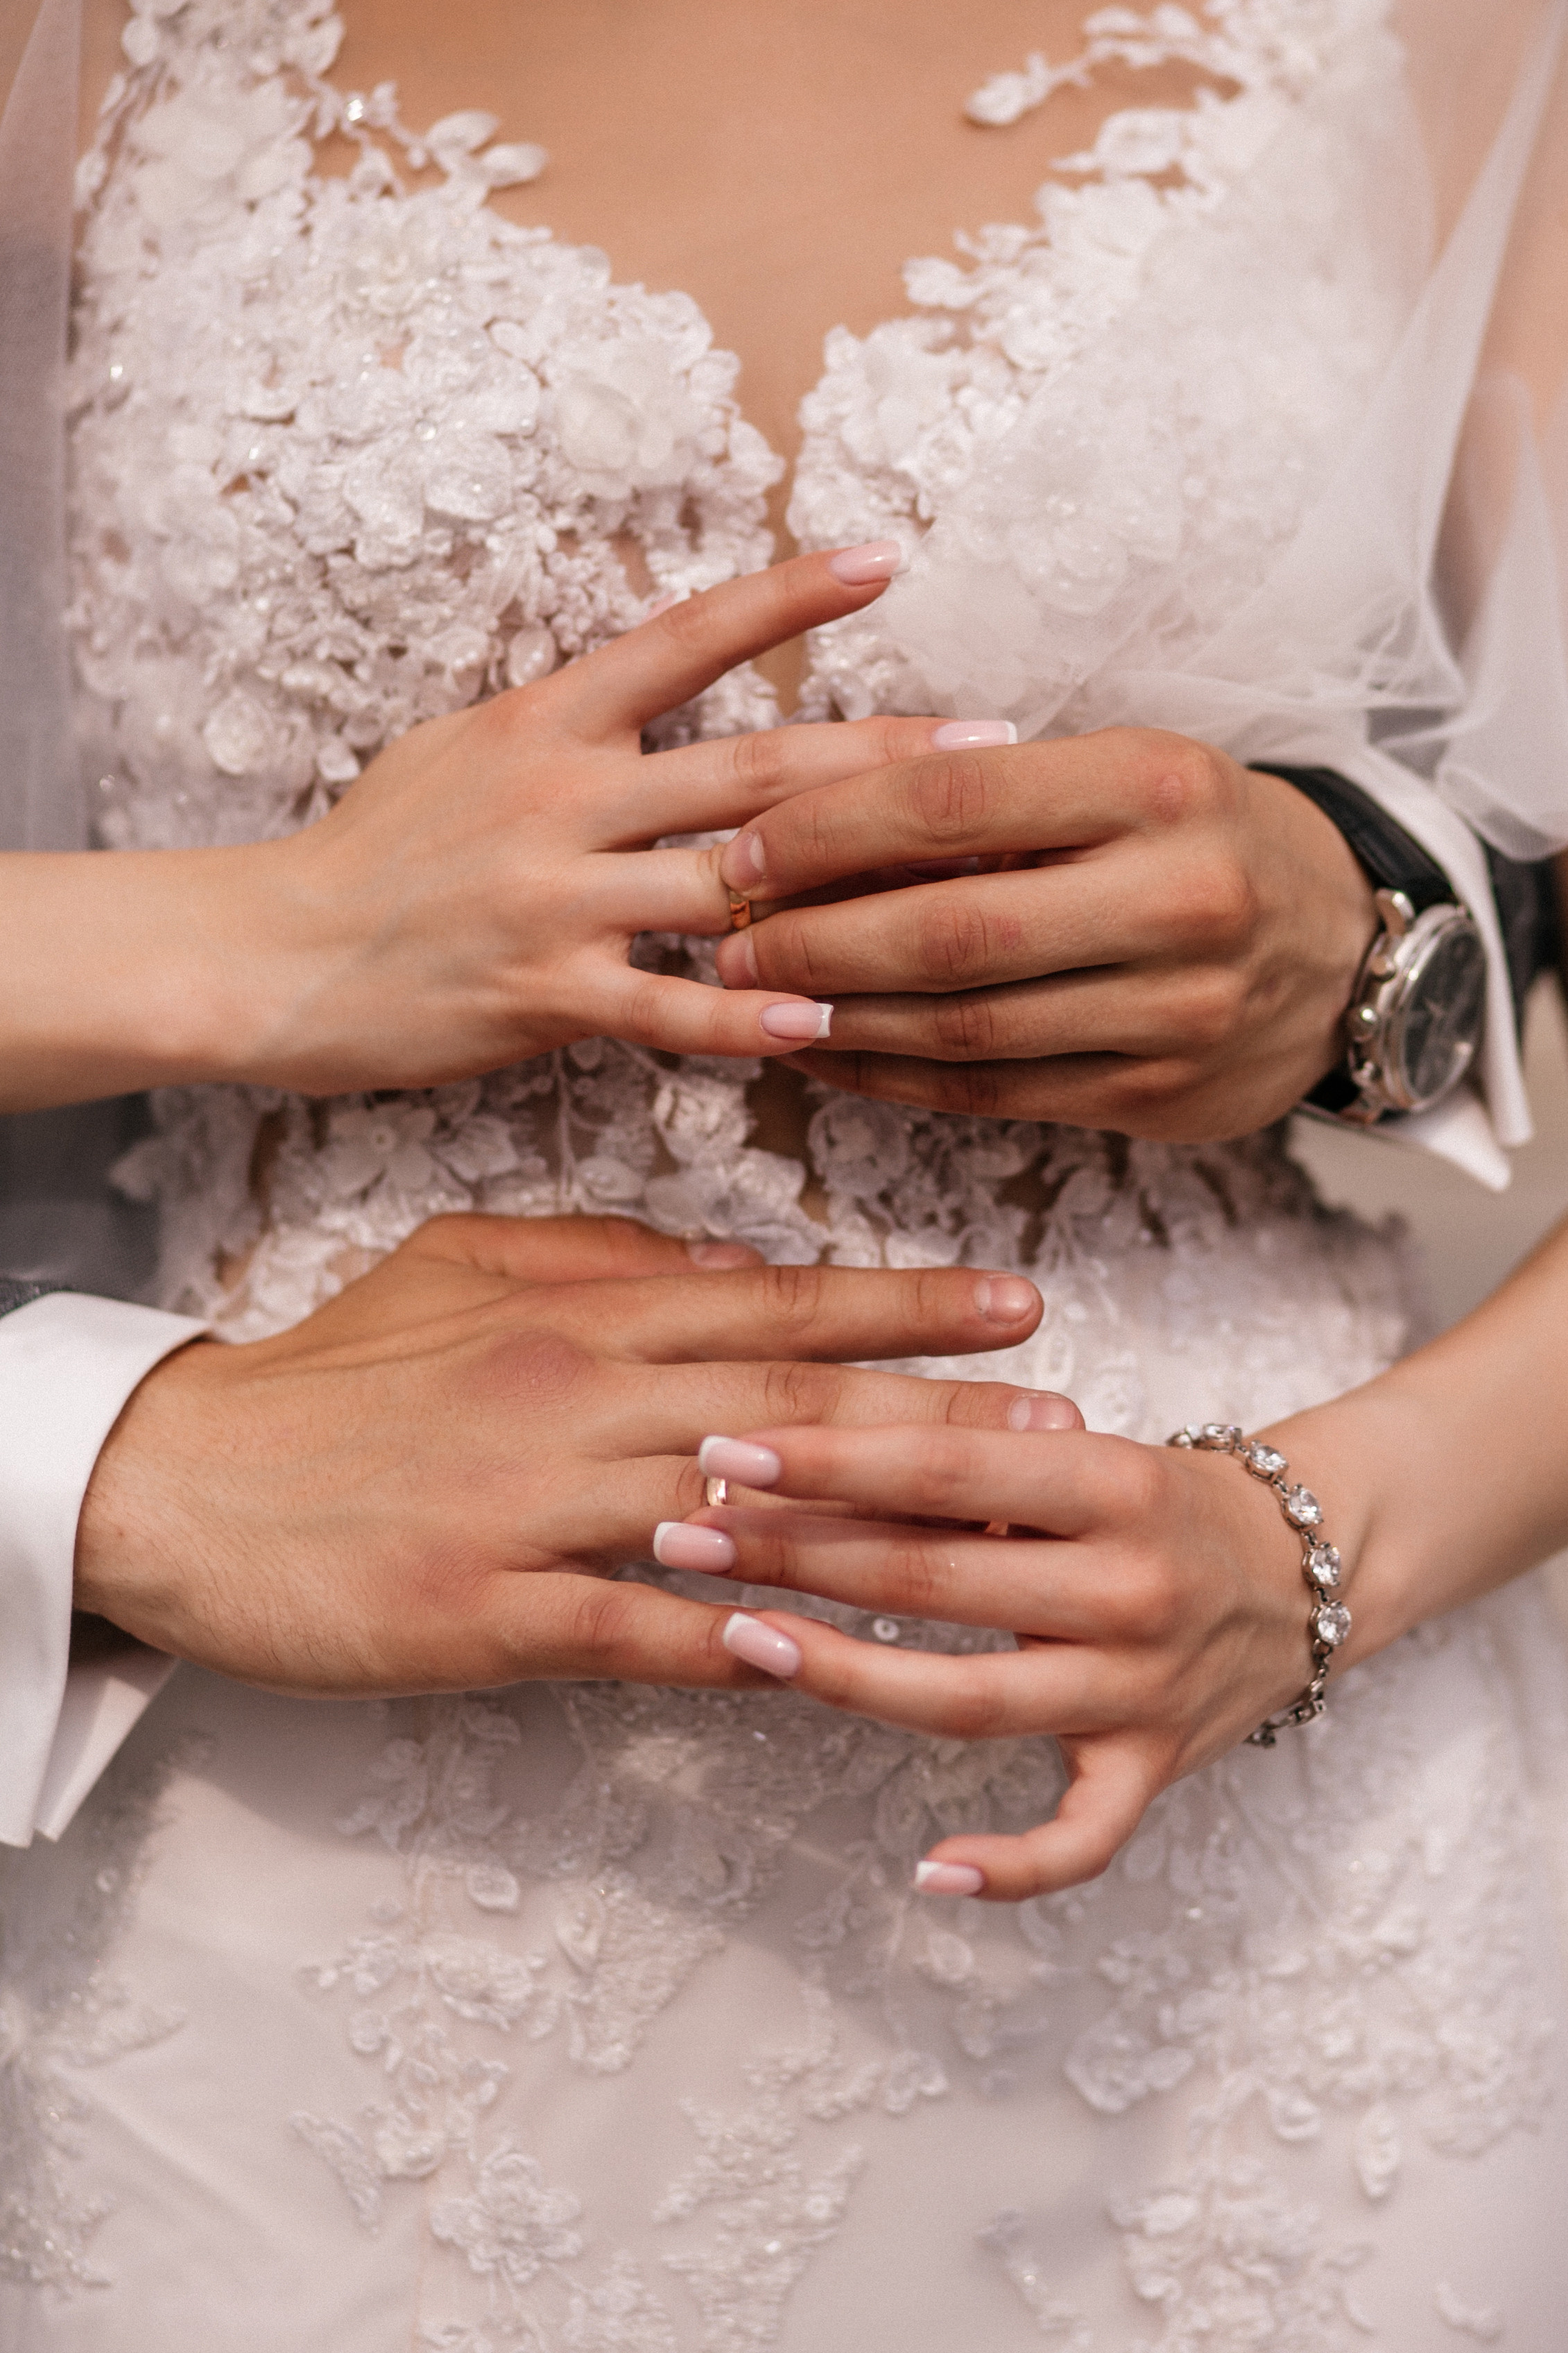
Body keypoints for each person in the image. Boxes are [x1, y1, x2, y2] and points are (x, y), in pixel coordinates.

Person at [1, 0, 1567, 2346]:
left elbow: (1495, 860)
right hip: (300, 1859)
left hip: (1261, 1880)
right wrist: (264, 950)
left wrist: (1319, 1536)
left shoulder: (1469, 41)